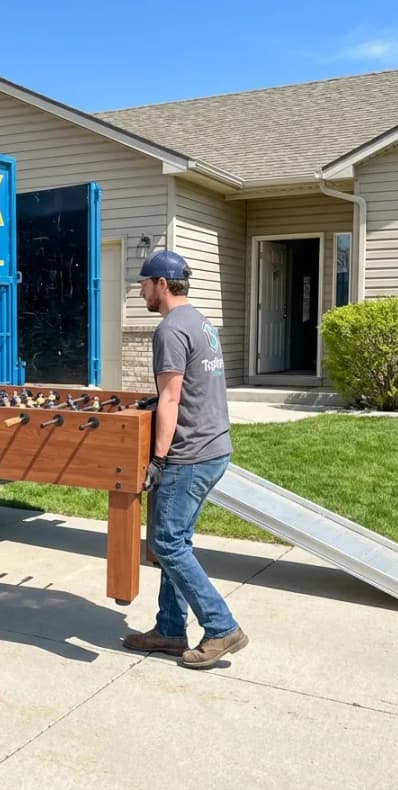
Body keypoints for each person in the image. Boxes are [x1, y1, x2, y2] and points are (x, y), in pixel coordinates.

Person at [123, 250, 248, 668]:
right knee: (178, 540)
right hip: (215, 446)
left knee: (166, 542)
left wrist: (159, 459)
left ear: (162, 284)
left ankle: (221, 627)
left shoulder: (171, 328)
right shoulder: (200, 322)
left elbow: (172, 398)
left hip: (190, 453)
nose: (141, 290)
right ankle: (171, 630)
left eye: (144, 283)